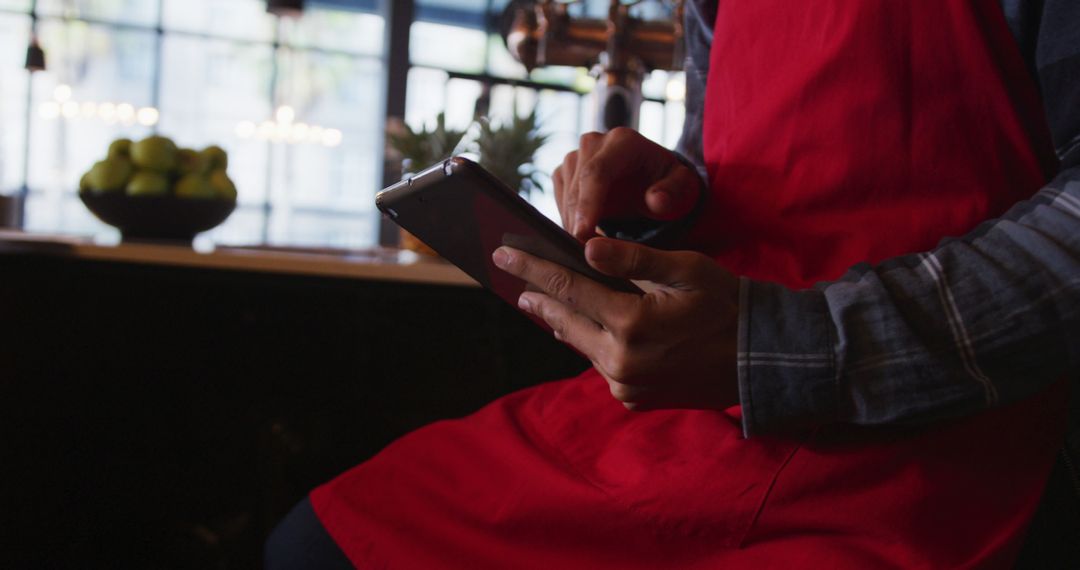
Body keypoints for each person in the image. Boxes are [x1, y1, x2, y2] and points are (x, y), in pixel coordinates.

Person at [267, 1, 1080, 567]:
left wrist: (780, 348)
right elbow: (727, 162)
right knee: (321, 543)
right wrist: (668, 198)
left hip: (927, 452)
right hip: (690, 423)